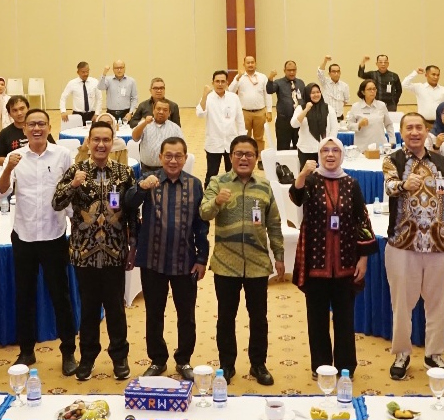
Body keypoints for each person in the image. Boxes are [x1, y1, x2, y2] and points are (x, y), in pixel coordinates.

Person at [53, 121, 139, 381]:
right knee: (89, 310)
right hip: (85, 253)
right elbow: (56, 203)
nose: (101, 144)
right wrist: (73, 186)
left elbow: (132, 213)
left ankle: (119, 358)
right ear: (88, 142)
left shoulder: (124, 173)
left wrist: (133, 245)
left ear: (113, 143)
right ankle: (88, 358)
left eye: (106, 140)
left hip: (115, 252)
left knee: (116, 310)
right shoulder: (76, 171)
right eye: (96, 140)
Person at [0, 108, 79, 377]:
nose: (36, 128)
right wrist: (9, 168)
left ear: (48, 127)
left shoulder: (62, 155)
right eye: (32, 124)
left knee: (61, 296)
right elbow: (2, 192)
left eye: (41, 124)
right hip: (24, 236)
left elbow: (70, 192)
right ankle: (26, 351)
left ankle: (68, 351)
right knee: (25, 296)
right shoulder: (15, 157)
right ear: (24, 129)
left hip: (54, 235)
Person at [200, 135, 286, 386]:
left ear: (256, 157)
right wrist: (216, 201)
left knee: (259, 318)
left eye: (249, 154)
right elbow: (203, 213)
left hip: (258, 263)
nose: (244, 158)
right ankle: (226, 365)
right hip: (225, 263)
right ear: (230, 157)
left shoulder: (265, 186)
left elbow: (274, 224)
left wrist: (279, 256)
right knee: (226, 317)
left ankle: (258, 364)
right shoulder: (218, 182)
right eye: (238, 154)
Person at [125, 137, 209, 381]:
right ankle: (157, 360)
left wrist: (202, 257)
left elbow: (201, 224)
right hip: (153, 259)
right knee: (154, 313)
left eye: (178, 156)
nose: (173, 160)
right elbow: (129, 203)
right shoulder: (148, 180)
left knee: (186, 315)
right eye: (168, 156)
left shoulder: (194, 184)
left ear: (185, 158)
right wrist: (141, 188)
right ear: (160, 157)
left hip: (185, 260)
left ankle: (183, 360)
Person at [291, 138, 375, 378]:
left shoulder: (351, 184)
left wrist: (363, 258)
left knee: (345, 319)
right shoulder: (311, 181)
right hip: (315, 262)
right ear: (319, 154)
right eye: (325, 150)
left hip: (346, 263)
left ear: (341, 155)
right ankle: (321, 365)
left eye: (335, 150)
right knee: (317, 319)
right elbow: (296, 197)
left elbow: (362, 221)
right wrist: (302, 174)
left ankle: (346, 366)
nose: (330, 154)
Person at [383, 113, 444, 380]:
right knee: (402, 304)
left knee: (438, 303)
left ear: (426, 132)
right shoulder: (393, 159)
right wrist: (404, 185)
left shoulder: (440, 161)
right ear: (402, 132)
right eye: (409, 128)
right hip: (403, 243)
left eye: (419, 128)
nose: (414, 132)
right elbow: (390, 186)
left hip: (439, 244)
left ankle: (433, 354)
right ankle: (402, 353)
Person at [196, 70, 244, 184]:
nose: (220, 84)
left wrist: (242, 140)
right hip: (214, 143)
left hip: (231, 142)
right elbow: (200, 114)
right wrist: (204, 95)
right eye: (217, 81)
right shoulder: (208, 98)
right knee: (211, 174)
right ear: (212, 83)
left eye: (223, 81)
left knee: (233, 174)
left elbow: (240, 119)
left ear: (227, 83)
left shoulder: (233, 98)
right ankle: (209, 194)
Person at [228, 56, 273, 157]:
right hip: (244, 113)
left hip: (260, 112)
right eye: (248, 63)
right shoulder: (239, 77)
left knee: (259, 138)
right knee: (244, 138)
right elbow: (230, 91)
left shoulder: (262, 77)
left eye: (252, 62)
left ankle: (260, 158)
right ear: (244, 64)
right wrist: (237, 79)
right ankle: (246, 156)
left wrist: (269, 110)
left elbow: (268, 94)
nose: (250, 65)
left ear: (255, 64)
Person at [131, 99, 184, 173]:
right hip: (146, 169)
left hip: (167, 169)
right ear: (153, 111)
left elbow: (182, 149)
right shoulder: (144, 124)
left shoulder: (175, 128)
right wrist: (144, 123)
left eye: (165, 110)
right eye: (158, 109)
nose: (161, 112)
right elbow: (135, 138)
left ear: (169, 113)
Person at [292, 84, 339, 166]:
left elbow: (334, 128)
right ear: (307, 94)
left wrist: (328, 143)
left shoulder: (328, 108)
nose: (316, 95)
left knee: (324, 173)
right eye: (313, 93)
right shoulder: (300, 108)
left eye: (318, 92)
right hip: (306, 150)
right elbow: (294, 124)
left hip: (324, 150)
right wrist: (306, 110)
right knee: (308, 174)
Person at [267, 61, 306, 151]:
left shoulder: (300, 83)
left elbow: (305, 98)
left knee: (300, 147)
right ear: (284, 71)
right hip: (284, 122)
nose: (291, 72)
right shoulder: (278, 82)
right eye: (289, 70)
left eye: (293, 70)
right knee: (283, 148)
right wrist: (270, 78)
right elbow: (269, 90)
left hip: (299, 120)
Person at [348, 79, 395, 151]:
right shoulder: (356, 106)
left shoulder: (381, 105)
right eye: (369, 89)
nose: (372, 91)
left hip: (380, 147)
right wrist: (359, 125)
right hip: (362, 147)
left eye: (374, 89)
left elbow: (388, 124)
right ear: (363, 92)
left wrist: (392, 141)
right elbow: (349, 126)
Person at [59, 61, 101, 127]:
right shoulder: (72, 83)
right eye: (83, 72)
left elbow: (99, 99)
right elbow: (63, 97)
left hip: (92, 115)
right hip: (77, 115)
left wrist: (97, 114)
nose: (86, 74)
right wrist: (63, 111)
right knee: (77, 132)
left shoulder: (95, 82)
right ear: (78, 72)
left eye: (87, 71)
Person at [0, 95, 31, 167]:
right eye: (14, 110)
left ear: (28, 109)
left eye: (22, 108)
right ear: (9, 114)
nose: (19, 113)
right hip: (14, 171)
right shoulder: (4, 133)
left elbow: (52, 150)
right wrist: (10, 160)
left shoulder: (39, 129)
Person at [318, 56, 350, 121]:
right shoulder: (325, 82)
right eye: (333, 71)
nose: (336, 73)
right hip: (326, 116)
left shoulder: (344, 86)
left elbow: (346, 101)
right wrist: (325, 61)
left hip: (339, 117)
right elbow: (320, 73)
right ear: (329, 73)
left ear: (340, 73)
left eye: (338, 71)